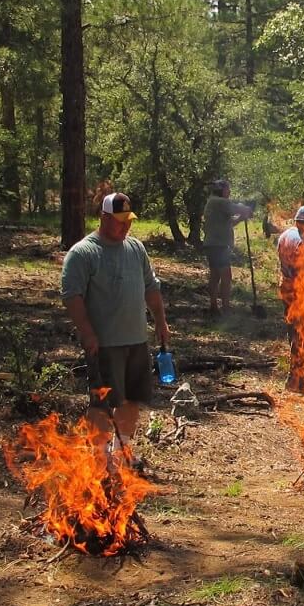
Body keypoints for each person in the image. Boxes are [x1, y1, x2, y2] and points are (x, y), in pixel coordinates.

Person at [62, 192, 170, 460]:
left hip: (136, 340)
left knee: (132, 399)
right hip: (105, 344)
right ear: (104, 217)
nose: (126, 226)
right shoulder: (84, 253)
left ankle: (121, 450)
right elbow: (71, 295)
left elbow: (151, 288)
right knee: (102, 403)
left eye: (129, 221)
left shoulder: (135, 249)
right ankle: (99, 455)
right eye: (120, 221)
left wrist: (161, 322)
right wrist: (87, 332)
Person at [279, 205, 304, 392]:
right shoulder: (301, 242)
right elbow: (299, 271)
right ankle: (297, 379)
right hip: (299, 293)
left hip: (285, 287)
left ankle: (298, 375)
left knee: (293, 332)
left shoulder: (285, 235)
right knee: (303, 335)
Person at [202, 180, 255, 315]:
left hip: (213, 244)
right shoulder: (220, 202)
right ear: (221, 190)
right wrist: (247, 209)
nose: (229, 192)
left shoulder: (213, 201)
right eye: (227, 189)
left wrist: (241, 218)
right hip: (218, 245)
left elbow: (228, 223)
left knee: (215, 275)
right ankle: (225, 307)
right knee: (226, 276)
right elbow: (238, 208)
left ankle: (214, 306)